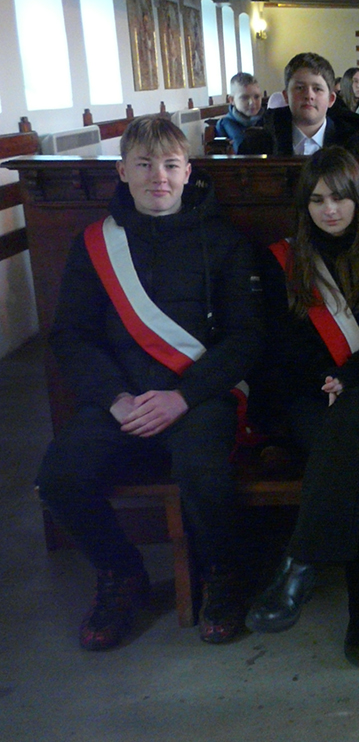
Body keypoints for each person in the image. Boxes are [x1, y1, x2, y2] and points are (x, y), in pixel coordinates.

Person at [36, 117, 263, 650]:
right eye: (143, 164)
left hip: (197, 394)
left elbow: (247, 337)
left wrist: (184, 396)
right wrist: (115, 399)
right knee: (59, 476)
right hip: (121, 399)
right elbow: (71, 336)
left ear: (187, 172)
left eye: (169, 165)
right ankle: (122, 573)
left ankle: (222, 574)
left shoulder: (225, 242)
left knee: (202, 468)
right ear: (122, 171)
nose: (157, 176)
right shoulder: (95, 245)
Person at [245, 148, 359, 667]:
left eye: (340, 198)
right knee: (356, 457)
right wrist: (322, 380)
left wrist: (351, 375)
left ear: (358, 198)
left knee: (349, 427)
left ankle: (300, 563)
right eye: (318, 199)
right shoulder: (284, 260)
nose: (330, 209)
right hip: (312, 396)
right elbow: (277, 346)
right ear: (304, 204)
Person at [240, 52, 359, 156]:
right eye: (300, 88)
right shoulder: (255, 146)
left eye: (317, 89)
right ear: (286, 97)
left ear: (331, 99)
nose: (309, 95)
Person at [215, 72, 264, 153]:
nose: (252, 102)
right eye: (244, 97)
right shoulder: (225, 125)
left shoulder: (268, 120)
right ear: (232, 100)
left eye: (256, 97)